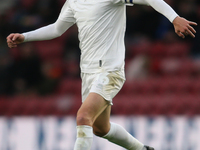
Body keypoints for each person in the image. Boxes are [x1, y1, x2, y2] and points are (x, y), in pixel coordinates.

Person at [7, 0, 197, 149]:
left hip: (109, 70)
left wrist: (174, 18)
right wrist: (26, 36)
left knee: (83, 117)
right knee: (100, 129)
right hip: (88, 73)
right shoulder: (74, 1)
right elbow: (57, 28)